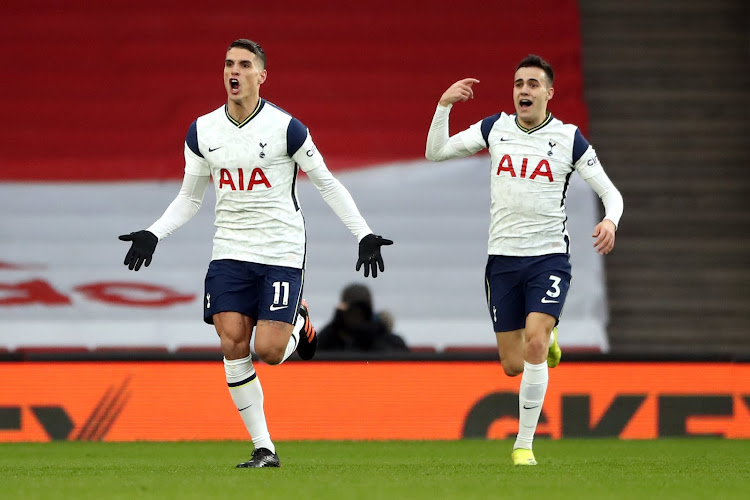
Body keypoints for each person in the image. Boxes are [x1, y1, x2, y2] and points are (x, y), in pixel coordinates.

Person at [118, 39, 393, 468]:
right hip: (229, 249)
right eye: (229, 64)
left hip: (280, 248)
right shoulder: (203, 130)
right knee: (232, 343)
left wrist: (364, 233)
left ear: (261, 76)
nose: (235, 71)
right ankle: (264, 447)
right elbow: (190, 199)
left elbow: (326, 182)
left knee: (267, 349)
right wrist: (155, 233)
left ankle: (298, 322)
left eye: (245, 65)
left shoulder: (287, 128)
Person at [425, 54, 623, 466]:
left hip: (548, 257)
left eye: (533, 84)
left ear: (549, 93)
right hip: (502, 260)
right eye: (519, 84)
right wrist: (444, 105)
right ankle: (548, 338)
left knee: (532, 339)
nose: (524, 91)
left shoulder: (569, 139)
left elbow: (610, 191)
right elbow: (436, 152)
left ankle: (523, 445)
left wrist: (610, 220)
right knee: (513, 365)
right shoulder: (494, 128)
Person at [318, 283, 409, 353]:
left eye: (361, 311)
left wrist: (369, 338)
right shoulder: (332, 339)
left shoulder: (389, 340)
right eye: (350, 311)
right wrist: (334, 327)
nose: (355, 316)